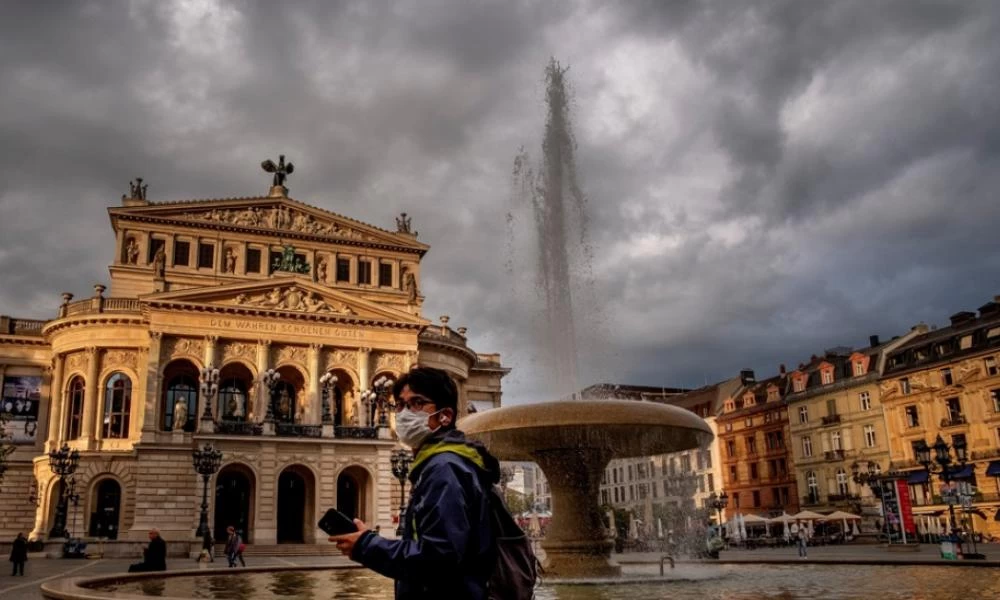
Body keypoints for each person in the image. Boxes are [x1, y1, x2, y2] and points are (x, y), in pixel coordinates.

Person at [330, 366, 500, 599]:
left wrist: (366, 546)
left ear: (445, 415)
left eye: (417, 403)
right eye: (400, 405)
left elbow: (438, 560)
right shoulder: (445, 464)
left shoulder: (444, 469)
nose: (404, 413)